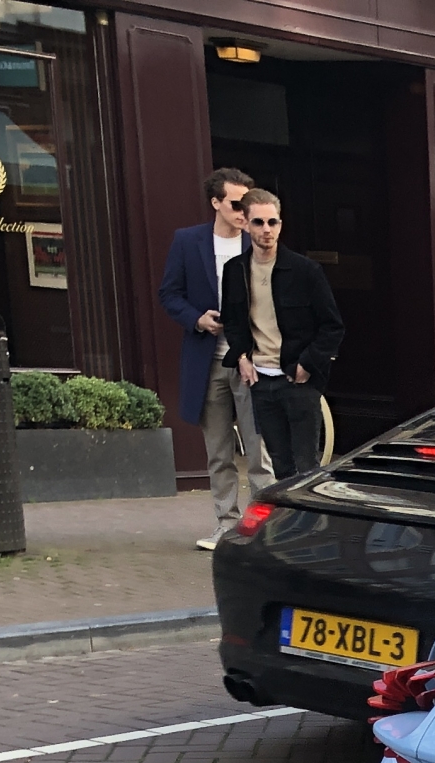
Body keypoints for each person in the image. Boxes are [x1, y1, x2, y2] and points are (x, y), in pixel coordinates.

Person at [158, 167, 268, 551]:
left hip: (251, 357)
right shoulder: (187, 242)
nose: (244, 211)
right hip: (207, 358)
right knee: (218, 450)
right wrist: (197, 319)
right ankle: (226, 524)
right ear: (216, 203)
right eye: (236, 203)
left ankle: (263, 529)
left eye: (248, 203)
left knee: (259, 448)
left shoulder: (259, 240)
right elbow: (169, 293)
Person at [220, 189, 346, 482]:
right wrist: (241, 357)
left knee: (307, 466)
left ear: (280, 224)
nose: (267, 230)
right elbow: (233, 322)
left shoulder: (306, 271)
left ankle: (312, 527)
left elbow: (332, 326)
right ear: (246, 224)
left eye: (273, 222)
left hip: (298, 380)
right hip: (261, 381)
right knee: (280, 466)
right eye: (259, 223)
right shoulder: (235, 271)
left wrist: (307, 364)